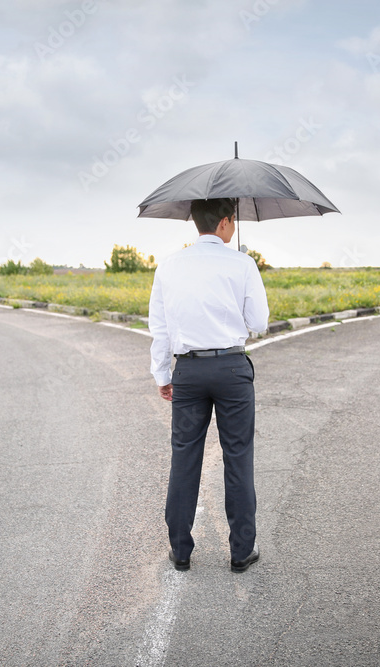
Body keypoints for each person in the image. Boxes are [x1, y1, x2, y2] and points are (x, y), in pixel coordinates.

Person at [148, 197, 270, 573]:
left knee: (184, 458)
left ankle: (181, 551)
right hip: (232, 370)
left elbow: (161, 327)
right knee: (238, 457)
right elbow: (259, 323)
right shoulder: (242, 263)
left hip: (188, 371)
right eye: (232, 220)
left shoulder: (169, 265)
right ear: (224, 222)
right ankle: (240, 552)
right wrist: (243, 272)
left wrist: (162, 375)